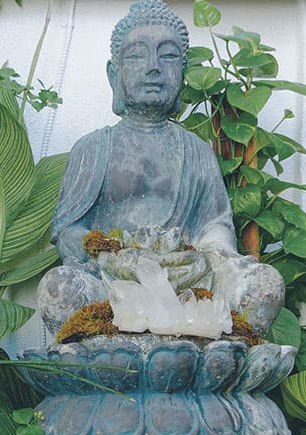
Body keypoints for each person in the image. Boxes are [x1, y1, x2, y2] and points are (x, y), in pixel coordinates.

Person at [37, 0, 283, 336]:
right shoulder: (94, 148)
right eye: (137, 56)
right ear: (114, 74)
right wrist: (115, 258)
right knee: (60, 288)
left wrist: (204, 257)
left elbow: (215, 226)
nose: (154, 67)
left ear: (181, 72)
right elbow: (68, 231)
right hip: (113, 287)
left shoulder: (196, 151)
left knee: (263, 284)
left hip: (190, 284)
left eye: (167, 56)